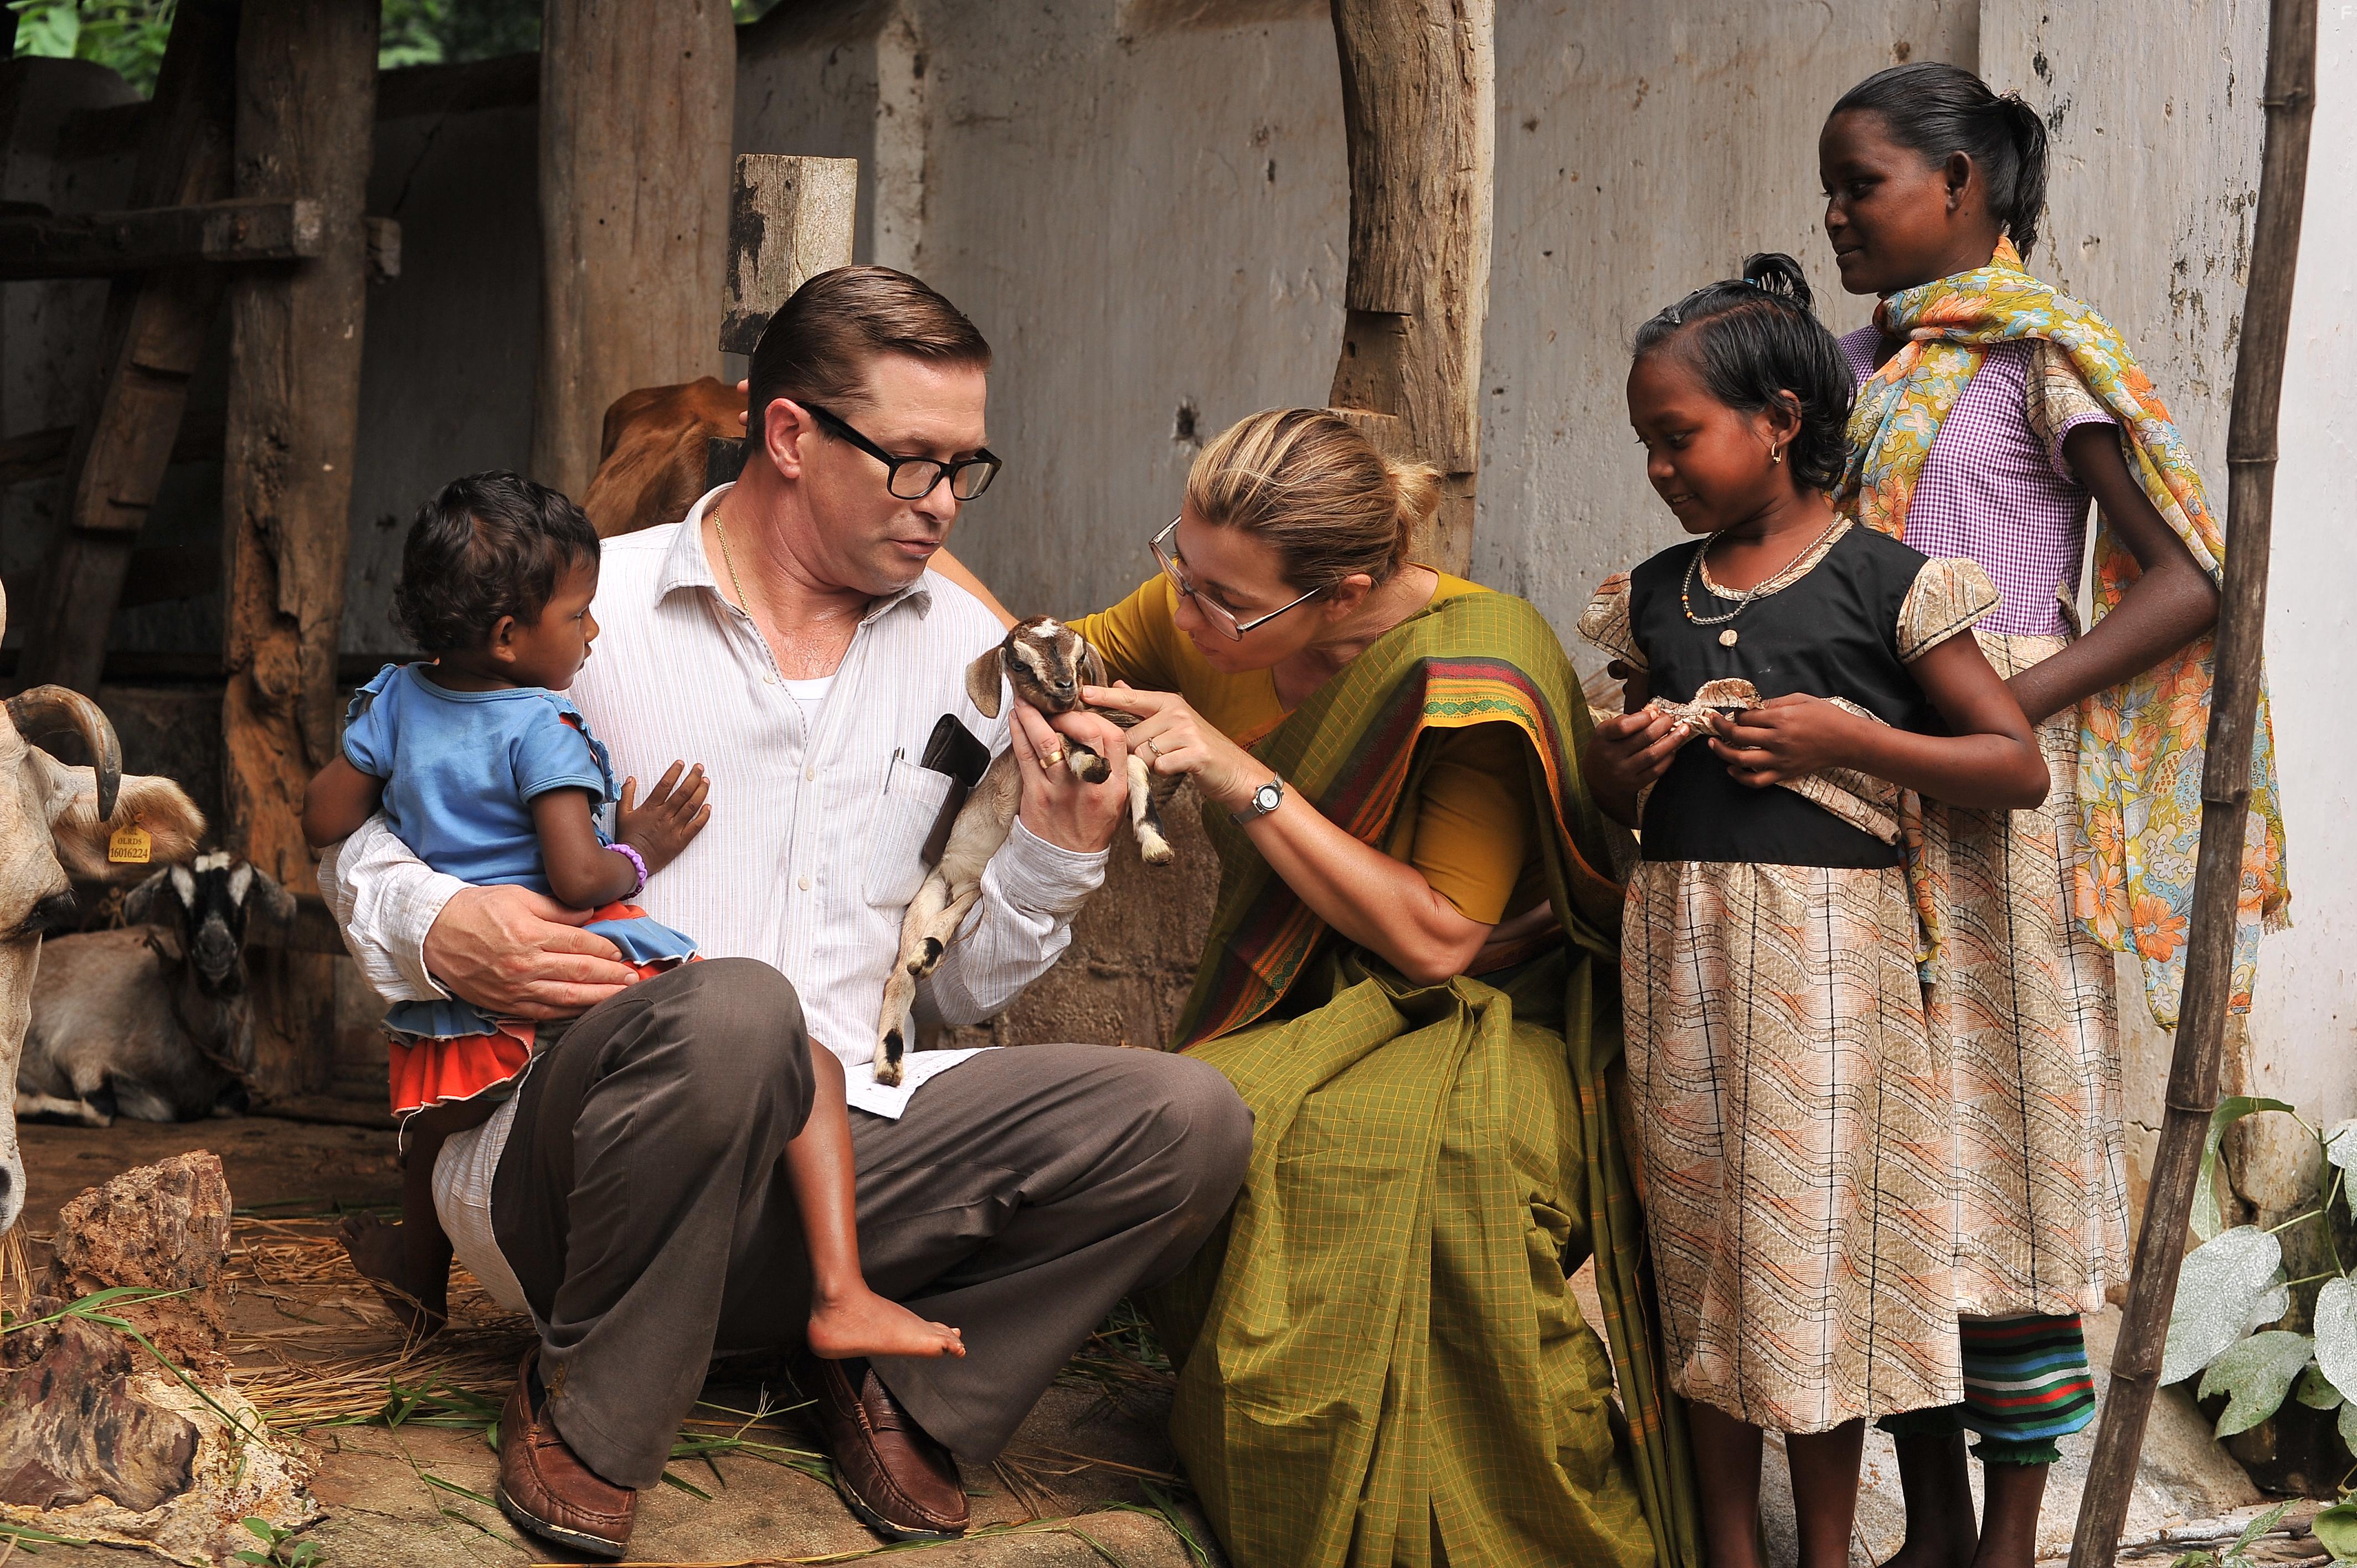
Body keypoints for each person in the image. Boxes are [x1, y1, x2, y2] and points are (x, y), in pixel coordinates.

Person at [317, 266, 1253, 1562]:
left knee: (1188, 1122)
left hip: (842, 1154)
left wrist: (1050, 855)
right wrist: (431, 923)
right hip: (586, 1153)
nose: (941, 507)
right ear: (792, 433)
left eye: (965, 469)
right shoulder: (586, 618)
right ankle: (592, 1395)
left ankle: (897, 1382)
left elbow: (954, 989)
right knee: (736, 1008)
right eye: (912, 464)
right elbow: (356, 829)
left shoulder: (965, 657)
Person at [933, 408, 1699, 1568]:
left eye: (1219, 602)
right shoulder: (1205, 605)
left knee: (1433, 1171)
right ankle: (1283, 1478)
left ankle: (1494, 1523)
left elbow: (1441, 941)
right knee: (1204, 1125)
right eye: (1175, 570)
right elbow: (1045, 659)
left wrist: (1239, 774)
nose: (1182, 615)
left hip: (1502, 1009)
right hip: (1297, 998)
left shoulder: (1468, 672)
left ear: (1342, 592)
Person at [1818, 63, 2292, 1568]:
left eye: (1863, 182)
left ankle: (2010, 1543)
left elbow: (2185, 578)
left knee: (2008, 1167)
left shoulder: (2041, 360)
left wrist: (2009, 704)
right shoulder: (1855, 366)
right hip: (1864, 796)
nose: (1834, 212)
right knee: (1896, 1165)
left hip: (1995, 815)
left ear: (1962, 185)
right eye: (1829, 185)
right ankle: (1935, 1533)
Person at [1577, 254, 2050, 1568]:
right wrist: (1615, 766)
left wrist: (1848, 738)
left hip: (1826, 968)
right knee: (1703, 1251)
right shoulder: (1656, 595)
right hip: (1676, 955)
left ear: (1782, 420)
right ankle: (1736, 1548)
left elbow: (2014, 764)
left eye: (1679, 438)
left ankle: (1824, 1553)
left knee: (1806, 1271)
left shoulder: (1885, 582)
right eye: (1647, 445)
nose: (1661, 467)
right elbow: (1605, 778)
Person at [303, 470, 966, 1371]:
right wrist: (641, 847)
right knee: (795, 1052)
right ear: (508, 637)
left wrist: (441, 879)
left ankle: (421, 1292)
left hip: (464, 1010)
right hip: (580, 962)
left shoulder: (392, 701)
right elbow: (578, 878)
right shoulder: (542, 729)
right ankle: (840, 1289)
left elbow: (323, 820)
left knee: (433, 1127)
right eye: (578, 617)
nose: (595, 632)